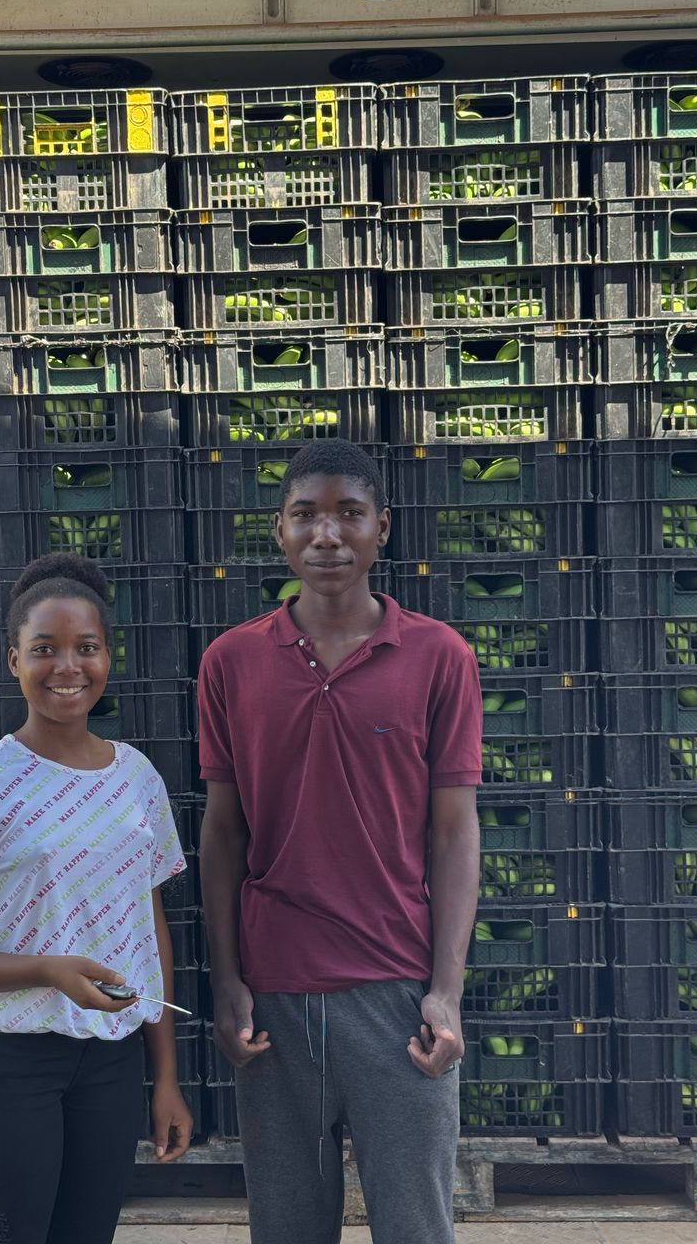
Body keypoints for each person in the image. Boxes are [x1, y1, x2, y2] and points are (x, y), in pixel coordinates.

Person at [198, 439, 483, 1244]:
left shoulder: (438, 657)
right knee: (286, 1229)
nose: (328, 534)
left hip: (398, 995)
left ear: (381, 528)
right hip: (276, 995)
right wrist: (226, 983)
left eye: (348, 514)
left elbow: (455, 833)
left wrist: (446, 992)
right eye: (306, 516)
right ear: (280, 534)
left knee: (417, 1229)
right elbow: (223, 834)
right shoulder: (230, 663)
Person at [0, 552, 193, 1244]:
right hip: (7, 1064)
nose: (68, 668)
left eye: (86, 648)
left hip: (111, 1064)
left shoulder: (137, 779)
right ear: (14, 660)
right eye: (45, 650)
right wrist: (45, 969)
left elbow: (146, 929)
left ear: (107, 656)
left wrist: (167, 1077)